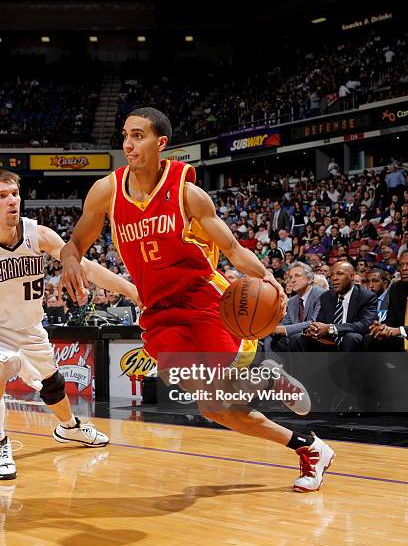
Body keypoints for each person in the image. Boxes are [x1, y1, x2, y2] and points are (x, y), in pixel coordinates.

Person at [61, 107, 335, 493]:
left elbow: (234, 250)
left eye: (138, 135)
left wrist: (267, 277)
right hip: (158, 311)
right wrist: (69, 262)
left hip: (202, 300)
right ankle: (307, 446)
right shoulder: (106, 190)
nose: (128, 143)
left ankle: (267, 379)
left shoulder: (187, 193)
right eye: (125, 134)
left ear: (161, 144)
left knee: (223, 385)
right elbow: (75, 243)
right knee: (213, 407)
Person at [0, 169, 141, 480]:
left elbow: (84, 265)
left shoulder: (37, 234)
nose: (12, 201)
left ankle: (69, 428)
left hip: (30, 327)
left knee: (53, 386)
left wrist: (131, 289)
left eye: (14, 194)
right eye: (2, 196)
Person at [290, 261, 377, 352]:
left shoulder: (366, 296)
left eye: (339, 274)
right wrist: (314, 329)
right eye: (332, 275)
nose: (334, 278)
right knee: (297, 338)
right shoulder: (326, 296)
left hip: (351, 342)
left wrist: (332, 328)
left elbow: (366, 324)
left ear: (352, 277)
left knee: (351, 337)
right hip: (329, 342)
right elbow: (320, 321)